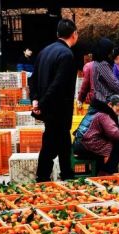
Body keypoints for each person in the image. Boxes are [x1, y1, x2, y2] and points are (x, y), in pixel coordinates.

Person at [29, 19, 78, 182]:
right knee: (51, 145)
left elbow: (33, 79)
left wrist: (35, 99)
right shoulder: (67, 55)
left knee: (63, 142)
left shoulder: (44, 51)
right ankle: (43, 178)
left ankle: (67, 174)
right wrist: (40, 103)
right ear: (74, 34)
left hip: (49, 107)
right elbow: (58, 85)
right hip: (58, 109)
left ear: (57, 34)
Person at [73, 95, 119, 175]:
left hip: (80, 143)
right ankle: (106, 173)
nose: (118, 114)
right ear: (110, 105)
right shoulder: (104, 115)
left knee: (113, 144)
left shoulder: (97, 110)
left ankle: (101, 171)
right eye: (117, 110)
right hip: (84, 145)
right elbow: (114, 133)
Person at [91, 38, 119, 107]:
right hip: (104, 100)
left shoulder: (98, 62)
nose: (112, 52)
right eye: (110, 50)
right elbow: (113, 82)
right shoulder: (102, 64)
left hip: (103, 98)